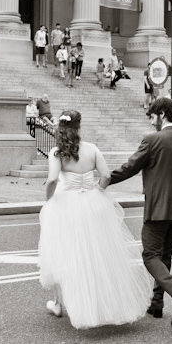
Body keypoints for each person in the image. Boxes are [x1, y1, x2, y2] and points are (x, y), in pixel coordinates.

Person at [38, 110, 153, 329]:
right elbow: (107, 175)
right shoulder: (92, 149)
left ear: (60, 128)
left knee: (64, 253)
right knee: (98, 254)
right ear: (79, 127)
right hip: (92, 203)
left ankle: (58, 302)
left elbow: (53, 179)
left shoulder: (57, 152)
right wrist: (98, 190)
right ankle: (106, 303)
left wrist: (48, 200)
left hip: (66, 205)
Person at [109, 97, 172, 328]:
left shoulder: (152, 140)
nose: (152, 121)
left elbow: (130, 167)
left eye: (152, 116)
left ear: (162, 114)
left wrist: (106, 179)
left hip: (158, 210)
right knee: (165, 255)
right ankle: (156, 303)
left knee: (150, 255)